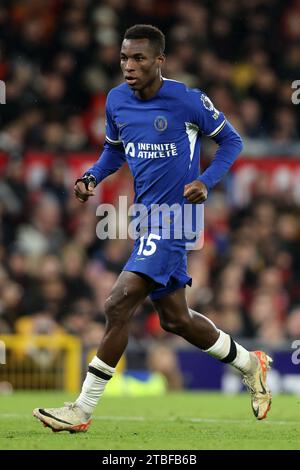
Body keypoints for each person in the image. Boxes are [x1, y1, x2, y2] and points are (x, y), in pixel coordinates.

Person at [33, 24, 272, 433]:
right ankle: (251, 363)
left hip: (177, 218)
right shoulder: (115, 101)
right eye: (124, 57)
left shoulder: (187, 99)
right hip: (146, 220)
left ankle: (82, 410)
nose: (129, 65)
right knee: (176, 319)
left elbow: (232, 141)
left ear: (159, 60)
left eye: (139, 58)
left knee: (117, 303)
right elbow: (113, 149)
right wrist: (92, 177)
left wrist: (206, 182)